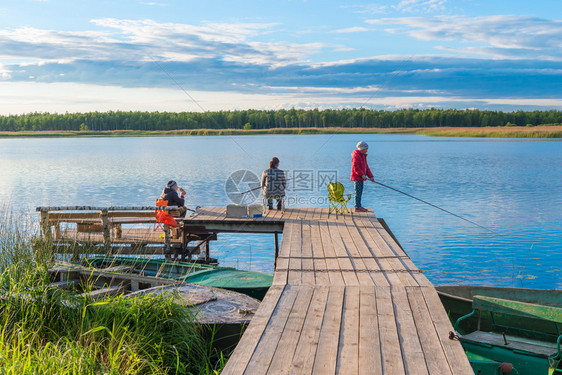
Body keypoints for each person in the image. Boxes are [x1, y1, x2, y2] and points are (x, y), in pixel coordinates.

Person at [350, 141, 374, 212]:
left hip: (361, 177)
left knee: (360, 192)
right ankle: (357, 207)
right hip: (357, 178)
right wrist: (362, 175)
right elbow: (355, 167)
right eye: (366, 149)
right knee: (358, 192)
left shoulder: (363, 156)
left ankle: (359, 206)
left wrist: (371, 176)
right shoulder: (356, 156)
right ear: (362, 148)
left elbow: (366, 167)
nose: (367, 150)